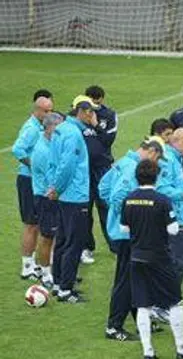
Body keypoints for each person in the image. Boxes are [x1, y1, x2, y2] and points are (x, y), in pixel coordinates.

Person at [121, 159, 183, 359]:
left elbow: (124, 228)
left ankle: (148, 352)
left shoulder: (129, 199)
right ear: (157, 177)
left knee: (143, 305)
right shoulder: (162, 200)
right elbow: (172, 229)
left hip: (136, 257)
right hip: (160, 258)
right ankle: (181, 349)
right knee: (175, 302)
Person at [99, 138, 166, 340]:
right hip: (127, 233)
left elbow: (103, 188)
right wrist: (129, 219)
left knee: (135, 277)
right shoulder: (132, 168)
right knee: (126, 280)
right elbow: (117, 197)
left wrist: (114, 217)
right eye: (158, 158)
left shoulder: (122, 162)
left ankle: (140, 321)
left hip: (122, 231)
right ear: (152, 152)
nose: (156, 164)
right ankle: (114, 326)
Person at [49, 96, 96, 303]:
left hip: (65, 196)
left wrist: (55, 187)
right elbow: (67, 164)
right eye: (91, 111)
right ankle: (66, 290)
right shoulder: (73, 133)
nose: (92, 115)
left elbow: (55, 161)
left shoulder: (61, 129)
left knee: (62, 240)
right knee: (74, 243)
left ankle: (58, 284)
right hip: (74, 196)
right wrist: (57, 188)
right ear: (83, 111)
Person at [12, 96, 54, 280]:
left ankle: (37, 264)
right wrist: (34, 165)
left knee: (38, 224)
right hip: (28, 180)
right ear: (36, 110)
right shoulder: (30, 128)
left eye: (50, 110)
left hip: (36, 181)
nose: (48, 114)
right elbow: (18, 149)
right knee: (31, 224)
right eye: (45, 111)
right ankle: (27, 266)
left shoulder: (40, 126)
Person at [81, 85, 118, 263]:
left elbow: (108, 141)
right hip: (83, 169)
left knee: (105, 206)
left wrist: (95, 124)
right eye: (90, 102)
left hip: (103, 168)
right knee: (84, 209)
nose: (92, 107)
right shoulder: (77, 115)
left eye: (96, 102)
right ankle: (87, 247)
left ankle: (114, 245)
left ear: (102, 99)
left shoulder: (109, 116)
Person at [157, 128, 183, 287]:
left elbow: (182, 186)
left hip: (178, 216)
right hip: (172, 218)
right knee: (177, 262)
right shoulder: (167, 160)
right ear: (173, 142)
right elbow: (161, 188)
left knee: (177, 262)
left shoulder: (176, 159)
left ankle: (167, 302)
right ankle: (168, 303)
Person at [30, 112, 64, 289]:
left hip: (53, 195)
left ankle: (55, 270)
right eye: (58, 129)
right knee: (47, 236)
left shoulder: (50, 144)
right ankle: (45, 273)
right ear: (49, 128)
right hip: (46, 198)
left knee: (57, 235)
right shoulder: (42, 151)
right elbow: (53, 178)